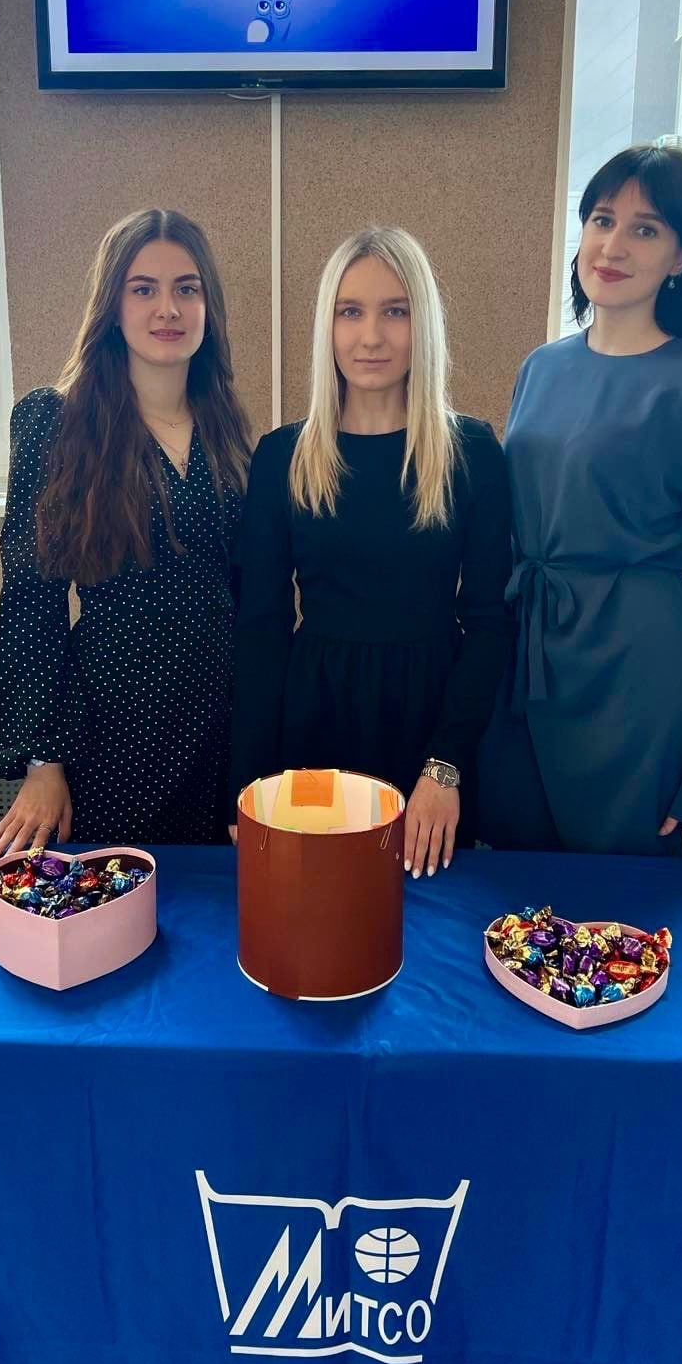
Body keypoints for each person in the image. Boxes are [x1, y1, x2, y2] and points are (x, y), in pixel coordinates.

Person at [478, 143, 682, 859]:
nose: (613, 245)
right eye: (602, 220)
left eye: (645, 229)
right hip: (532, 657)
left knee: (626, 902)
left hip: (638, 671)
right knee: (514, 883)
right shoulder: (541, 368)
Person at [229, 226, 514, 879]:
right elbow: (261, 630)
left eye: (396, 312)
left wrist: (446, 766)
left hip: (434, 732)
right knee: (320, 911)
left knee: (429, 915)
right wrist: (247, 783)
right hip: (314, 722)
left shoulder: (472, 453)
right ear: (327, 327)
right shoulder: (281, 457)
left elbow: (490, 623)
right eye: (350, 312)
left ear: (423, 325)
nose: (371, 336)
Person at [0, 208, 253, 857]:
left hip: (218, 729)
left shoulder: (227, 430)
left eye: (186, 288)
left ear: (208, 305)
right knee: (111, 906)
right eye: (143, 289)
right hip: (111, 726)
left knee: (214, 907)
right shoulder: (58, 423)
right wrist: (42, 760)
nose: (168, 308)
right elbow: (31, 600)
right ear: (112, 305)